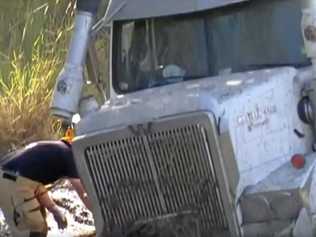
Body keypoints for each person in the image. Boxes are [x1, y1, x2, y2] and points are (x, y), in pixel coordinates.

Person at [0, 139, 91, 237]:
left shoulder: (58, 148)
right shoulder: (70, 157)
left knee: (41, 228)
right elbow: (84, 195)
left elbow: (34, 182)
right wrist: (102, 215)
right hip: (10, 180)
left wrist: (53, 209)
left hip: (13, 177)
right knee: (34, 229)